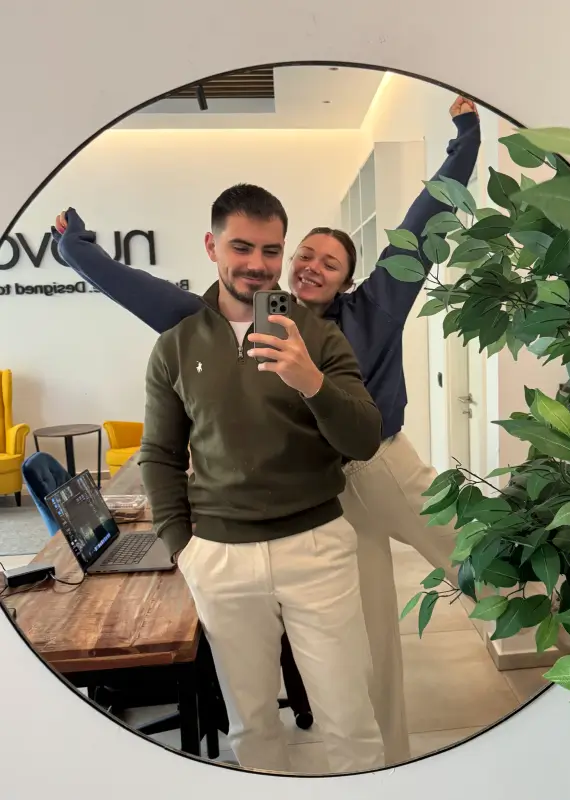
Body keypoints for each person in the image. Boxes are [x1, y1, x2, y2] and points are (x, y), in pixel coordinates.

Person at [52, 95, 481, 764]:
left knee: (483, 561)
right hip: (327, 491)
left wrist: (464, 142)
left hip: (380, 463)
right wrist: (76, 248)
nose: (310, 266)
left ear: (346, 281)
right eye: (302, 255)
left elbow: (420, 229)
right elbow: (141, 291)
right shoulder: (237, 319)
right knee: (369, 640)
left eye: (327, 262)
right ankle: (388, 759)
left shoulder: (368, 311)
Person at [138, 183, 384, 774]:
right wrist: (182, 547)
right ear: (211, 246)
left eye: (272, 250)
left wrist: (311, 382)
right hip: (219, 555)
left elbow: (364, 439)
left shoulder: (318, 336)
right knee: (252, 726)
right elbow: (159, 453)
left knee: (350, 722)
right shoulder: (175, 347)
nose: (258, 265)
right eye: (241, 247)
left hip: (316, 547)